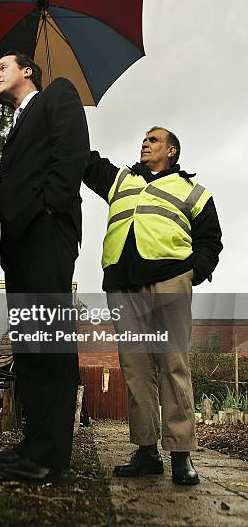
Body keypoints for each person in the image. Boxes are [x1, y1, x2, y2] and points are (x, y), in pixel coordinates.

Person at [0, 51, 90, 482]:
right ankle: (32, 445)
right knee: (29, 349)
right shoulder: (14, 127)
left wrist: (49, 209)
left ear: (28, 70)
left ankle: (52, 457)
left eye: (3, 66)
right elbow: (15, 192)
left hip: (47, 235)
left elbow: (72, 155)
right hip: (18, 245)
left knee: (50, 344)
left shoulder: (58, 95)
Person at [83, 126, 222, 485]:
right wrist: (62, 111)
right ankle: (146, 451)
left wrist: (193, 274)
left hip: (170, 283)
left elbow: (211, 239)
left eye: (154, 139)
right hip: (123, 286)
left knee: (173, 364)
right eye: (144, 139)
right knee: (135, 368)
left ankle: (180, 454)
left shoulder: (193, 191)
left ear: (172, 150)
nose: (145, 143)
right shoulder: (120, 180)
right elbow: (86, 161)